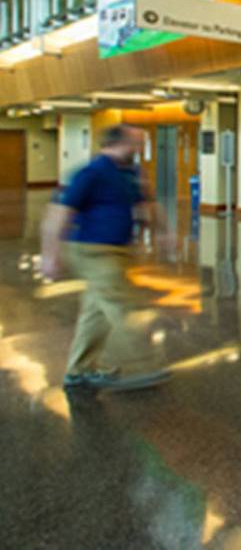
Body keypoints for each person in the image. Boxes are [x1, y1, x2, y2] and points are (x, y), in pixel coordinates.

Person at [40, 124, 173, 392]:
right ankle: (144, 365)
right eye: (135, 143)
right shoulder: (91, 173)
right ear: (117, 143)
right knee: (122, 304)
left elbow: (147, 203)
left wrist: (163, 231)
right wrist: (50, 255)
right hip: (92, 251)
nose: (139, 149)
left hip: (117, 250)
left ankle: (79, 371)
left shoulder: (131, 173)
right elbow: (59, 214)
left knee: (95, 314)